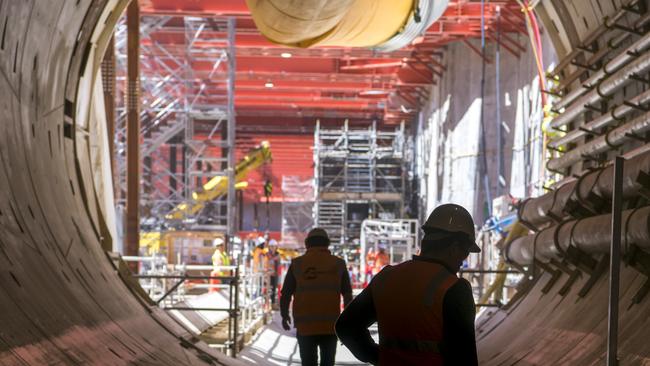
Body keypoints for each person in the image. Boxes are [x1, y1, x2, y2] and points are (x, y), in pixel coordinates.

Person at [336, 204, 480, 366]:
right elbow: (465, 356)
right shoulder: (454, 288)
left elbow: (346, 326)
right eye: (466, 252)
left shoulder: (386, 277)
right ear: (454, 248)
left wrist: (378, 356)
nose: (463, 260)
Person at [281, 228, 353, 366]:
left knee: (308, 363)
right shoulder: (338, 264)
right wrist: (347, 323)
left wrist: (285, 315)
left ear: (307, 243)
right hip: (330, 326)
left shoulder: (297, 264)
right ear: (327, 243)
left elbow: (286, 293)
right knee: (327, 362)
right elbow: (347, 294)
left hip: (305, 327)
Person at [267, 239, 281, 306]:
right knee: (267, 289)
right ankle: (267, 304)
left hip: (275, 274)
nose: (272, 248)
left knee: (274, 289)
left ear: (276, 247)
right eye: (271, 246)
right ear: (269, 247)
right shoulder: (266, 255)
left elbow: (278, 265)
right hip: (268, 275)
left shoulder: (278, 255)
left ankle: (273, 303)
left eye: (274, 246)